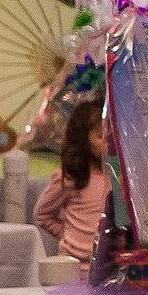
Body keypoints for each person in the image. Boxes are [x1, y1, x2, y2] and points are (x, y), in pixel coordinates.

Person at [35, 100, 111, 261]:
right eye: (100, 135)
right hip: (75, 269)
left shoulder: (117, 175)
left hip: (110, 266)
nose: (108, 142)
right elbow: (43, 215)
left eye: (112, 135)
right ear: (83, 140)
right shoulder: (72, 176)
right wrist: (69, 234)